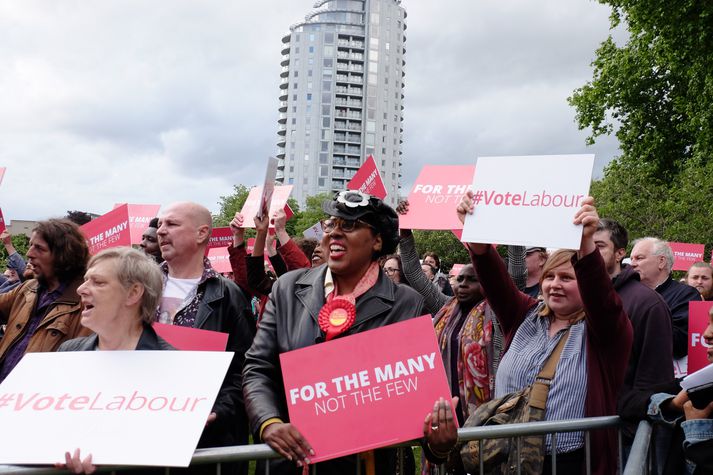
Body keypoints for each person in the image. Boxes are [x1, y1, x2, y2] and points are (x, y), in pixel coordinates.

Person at [242, 190, 456, 474]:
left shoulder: (407, 303)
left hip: (367, 465)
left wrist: (437, 443)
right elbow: (257, 367)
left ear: (377, 241)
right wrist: (269, 423)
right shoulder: (287, 288)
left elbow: (415, 398)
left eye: (350, 226)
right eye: (331, 225)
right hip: (290, 462)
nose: (334, 233)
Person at [457, 193, 632, 475]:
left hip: (568, 463)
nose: (555, 285)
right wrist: (478, 244)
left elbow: (600, 296)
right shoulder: (525, 315)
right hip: (505, 458)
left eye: (567, 278)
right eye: (550, 277)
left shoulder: (604, 332)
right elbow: (495, 281)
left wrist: (586, 244)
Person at [156, 201, 255, 474]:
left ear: (202, 234)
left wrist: (218, 411)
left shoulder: (229, 295)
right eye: (160, 224)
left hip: (207, 443)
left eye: (172, 224)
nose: (161, 231)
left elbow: (244, 369)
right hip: (148, 433)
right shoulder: (140, 288)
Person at [58, 247, 172, 473]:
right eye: (85, 280)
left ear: (133, 293)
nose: (81, 289)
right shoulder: (68, 353)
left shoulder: (172, 367)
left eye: (98, 282)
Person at [592, 219, 674, 452]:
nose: (589, 252)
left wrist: (629, 430)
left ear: (620, 253)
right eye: (585, 245)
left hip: (620, 436)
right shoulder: (574, 299)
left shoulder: (648, 304)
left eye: (599, 246)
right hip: (580, 433)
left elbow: (654, 378)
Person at [0, 219, 91, 383]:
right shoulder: (28, 288)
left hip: (38, 401)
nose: (29, 253)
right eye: (30, 245)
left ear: (64, 256)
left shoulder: (86, 304)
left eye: (39, 248)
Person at [647, 305, 713, 474]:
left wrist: (698, 431)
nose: (706, 334)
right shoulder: (700, 384)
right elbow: (629, 401)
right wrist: (672, 404)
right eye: (708, 323)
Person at [630, 237, 702, 359]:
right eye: (631, 259)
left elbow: (679, 343)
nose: (632, 264)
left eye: (639, 258)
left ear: (661, 261)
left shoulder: (686, 295)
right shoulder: (626, 293)